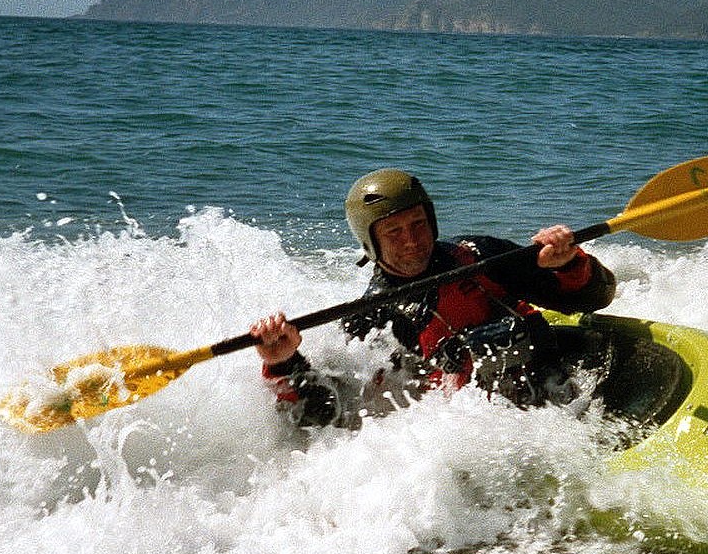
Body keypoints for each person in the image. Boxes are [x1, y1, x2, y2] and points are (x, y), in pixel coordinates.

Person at [249, 168, 617, 428]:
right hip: (475, 434)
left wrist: (567, 263)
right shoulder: (371, 318)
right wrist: (282, 361)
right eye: (394, 232)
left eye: (418, 224)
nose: (412, 240)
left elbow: (595, 297)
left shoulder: (480, 256)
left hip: (559, 401)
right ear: (371, 243)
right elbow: (327, 414)